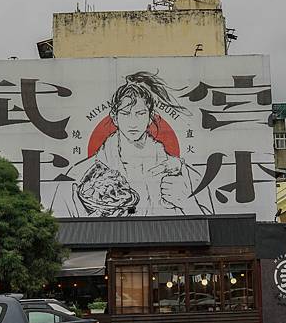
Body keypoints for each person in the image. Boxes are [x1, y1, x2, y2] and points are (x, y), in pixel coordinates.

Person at [51, 71, 212, 217]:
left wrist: (187, 203)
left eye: (140, 113)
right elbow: (62, 233)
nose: (133, 122)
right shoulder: (78, 177)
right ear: (114, 117)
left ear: (150, 117)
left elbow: (213, 229)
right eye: (126, 113)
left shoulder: (186, 175)